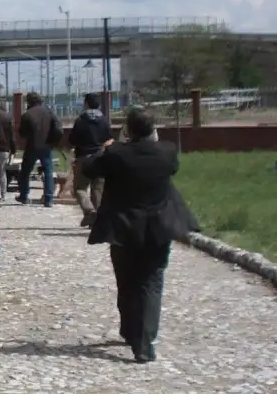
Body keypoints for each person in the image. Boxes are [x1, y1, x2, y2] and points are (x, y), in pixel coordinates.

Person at [79, 107, 200, 363]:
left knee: (126, 281)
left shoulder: (117, 153)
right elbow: (172, 169)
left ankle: (133, 334)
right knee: (152, 282)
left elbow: (89, 168)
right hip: (158, 226)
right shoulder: (167, 152)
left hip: (124, 227)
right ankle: (144, 339)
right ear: (154, 128)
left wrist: (107, 148)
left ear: (128, 129)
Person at [68, 92, 114, 227]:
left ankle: (89, 211)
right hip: (101, 157)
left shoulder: (81, 120)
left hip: (84, 157)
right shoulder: (104, 120)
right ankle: (98, 220)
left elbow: (72, 139)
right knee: (97, 189)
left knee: (79, 188)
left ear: (86, 104)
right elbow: (109, 138)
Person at [16, 91, 63, 206]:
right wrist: (53, 141)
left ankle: (24, 196)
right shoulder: (49, 112)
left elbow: (22, 133)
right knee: (48, 172)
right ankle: (48, 199)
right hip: (47, 146)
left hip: (32, 146)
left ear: (29, 102)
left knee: (25, 171)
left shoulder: (27, 115)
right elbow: (58, 130)